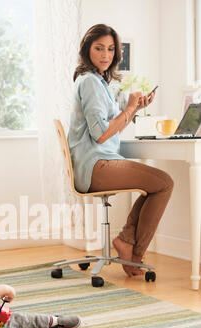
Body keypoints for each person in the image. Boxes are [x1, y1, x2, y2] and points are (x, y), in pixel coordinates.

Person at [68, 24, 174, 277]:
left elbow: (110, 127)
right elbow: (102, 133)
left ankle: (127, 241)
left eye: (111, 49)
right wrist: (129, 109)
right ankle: (134, 254)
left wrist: (134, 108)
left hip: (95, 164)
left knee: (155, 185)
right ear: (87, 50)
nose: (106, 54)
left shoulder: (99, 82)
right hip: (96, 166)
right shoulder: (91, 83)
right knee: (165, 183)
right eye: (99, 48)